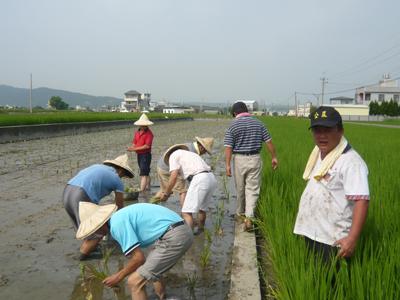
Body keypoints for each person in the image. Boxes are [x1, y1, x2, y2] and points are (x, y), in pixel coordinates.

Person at [293, 106, 370, 262]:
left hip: (332, 240)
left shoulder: (351, 162)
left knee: (330, 284)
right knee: (313, 281)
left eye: (327, 130)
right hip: (312, 232)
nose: (322, 136)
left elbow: (362, 200)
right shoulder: (319, 153)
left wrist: (352, 239)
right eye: (317, 130)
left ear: (340, 131)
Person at [76, 202, 193, 300]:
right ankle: (161, 296)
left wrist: (117, 277)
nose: (95, 234)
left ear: (100, 224)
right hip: (178, 230)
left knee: (134, 281)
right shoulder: (120, 216)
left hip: (174, 236)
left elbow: (138, 258)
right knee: (152, 267)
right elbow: (141, 260)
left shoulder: (117, 225)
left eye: (94, 230)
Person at [62, 154, 134, 260]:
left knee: (87, 227)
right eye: (123, 175)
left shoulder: (96, 167)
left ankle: (91, 248)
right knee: (99, 231)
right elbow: (119, 207)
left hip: (67, 192)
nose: (121, 178)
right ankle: (82, 256)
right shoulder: (117, 180)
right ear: (121, 171)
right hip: (81, 195)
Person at [224, 101, 278, 231]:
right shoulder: (259, 123)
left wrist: (227, 165)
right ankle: (249, 217)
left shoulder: (233, 125)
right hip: (255, 158)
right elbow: (268, 141)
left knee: (240, 188)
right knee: (252, 189)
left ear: (235, 113)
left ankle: (239, 213)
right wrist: (274, 157)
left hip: (239, 160)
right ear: (246, 111)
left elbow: (228, 147)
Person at [160, 144, 217, 232]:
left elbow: (173, 176)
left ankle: (189, 238)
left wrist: (166, 193)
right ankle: (201, 230)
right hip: (211, 177)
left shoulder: (173, 155)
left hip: (199, 178)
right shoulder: (191, 154)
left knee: (186, 212)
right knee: (202, 209)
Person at [155, 137, 214, 206]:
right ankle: (185, 211)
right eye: (205, 151)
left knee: (165, 189)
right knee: (183, 190)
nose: (204, 153)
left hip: (162, 166)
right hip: (167, 168)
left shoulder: (190, 146)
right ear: (202, 147)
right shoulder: (191, 151)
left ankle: (152, 205)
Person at [127, 113, 154, 192]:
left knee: (143, 173)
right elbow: (134, 142)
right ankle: (148, 186)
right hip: (139, 154)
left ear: (146, 125)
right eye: (141, 125)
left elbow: (147, 146)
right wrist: (131, 147)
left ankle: (141, 190)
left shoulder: (149, 134)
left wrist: (134, 149)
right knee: (145, 171)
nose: (142, 126)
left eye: (144, 125)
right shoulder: (137, 132)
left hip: (145, 155)